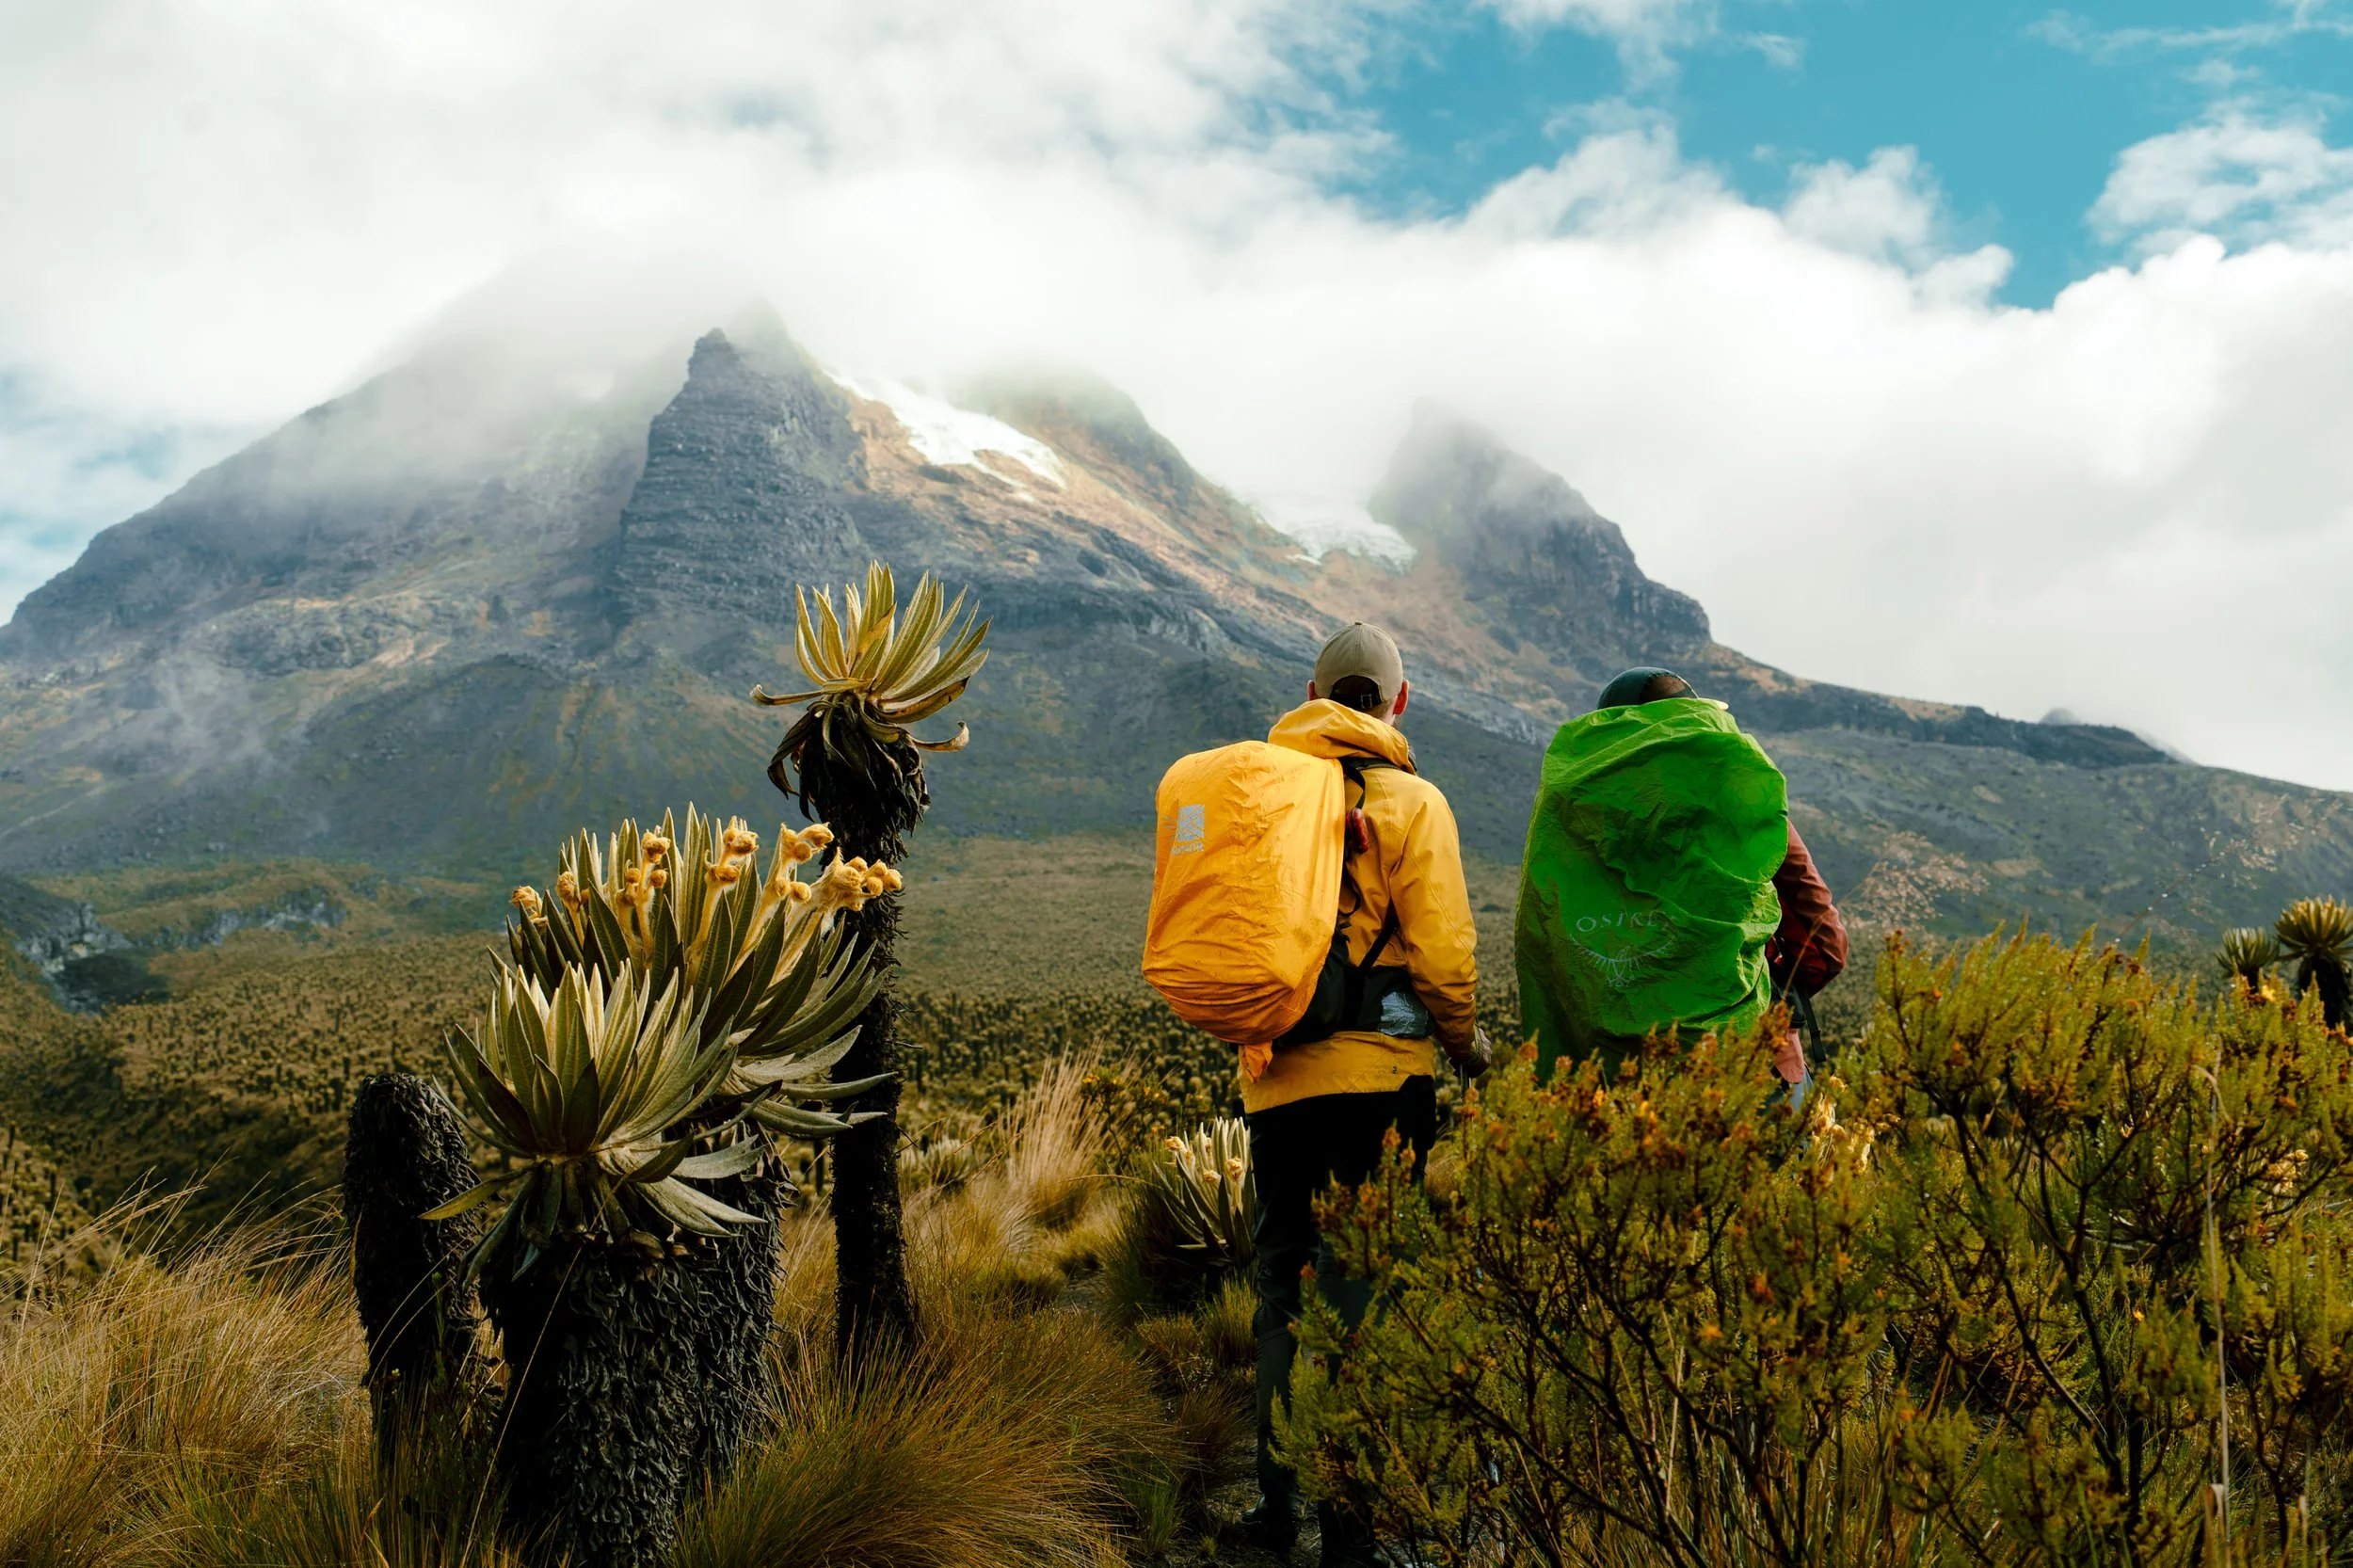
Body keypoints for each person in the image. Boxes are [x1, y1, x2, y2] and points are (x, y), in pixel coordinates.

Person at [1241, 622, 1490, 1566]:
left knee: (1277, 1294)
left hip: (1277, 1085)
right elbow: (1445, 958)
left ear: (1307, 689)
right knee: (1356, 1299)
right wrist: (1465, 1047)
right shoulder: (1413, 803)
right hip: (1384, 1090)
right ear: (1400, 700)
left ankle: (1272, 1512)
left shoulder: (1262, 795)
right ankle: (1347, 1528)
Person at [1544, 666, 1848, 1088]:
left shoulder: (1571, 822)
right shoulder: (1744, 806)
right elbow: (1825, 945)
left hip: (1615, 1071)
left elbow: (1551, 940)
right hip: (1749, 1060)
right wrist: (1772, 1000)